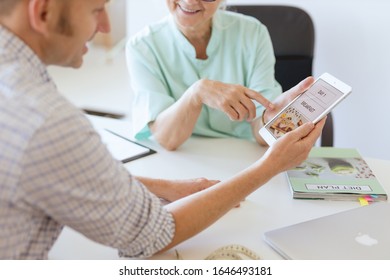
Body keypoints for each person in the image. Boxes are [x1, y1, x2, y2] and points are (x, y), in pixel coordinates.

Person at [0, 0, 325, 260]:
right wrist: (270, 166)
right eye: (97, 10)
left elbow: (63, 171)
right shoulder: (48, 122)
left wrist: (165, 186)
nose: (106, 28)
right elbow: (150, 235)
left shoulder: (29, 108)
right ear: (42, 12)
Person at [127, 0, 294, 150]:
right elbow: (166, 138)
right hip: (186, 156)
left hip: (243, 153)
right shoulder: (143, 47)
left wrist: (277, 120)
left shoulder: (253, 33)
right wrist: (196, 93)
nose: (190, 1)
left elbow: (262, 131)